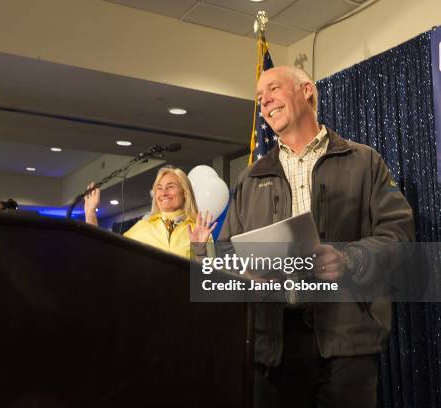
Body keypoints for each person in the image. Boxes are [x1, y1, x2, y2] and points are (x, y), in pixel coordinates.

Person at [219, 66, 415, 407]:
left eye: (273, 89)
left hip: (347, 343)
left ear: (306, 90)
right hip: (272, 349)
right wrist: (244, 275)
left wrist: (349, 260)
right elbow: (225, 252)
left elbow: (399, 236)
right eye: (259, 98)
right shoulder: (250, 178)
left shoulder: (365, 161)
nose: (264, 102)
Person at [84, 166, 216, 259]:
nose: (163, 193)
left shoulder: (199, 231)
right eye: (159, 188)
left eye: (170, 187)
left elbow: (208, 281)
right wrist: (90, 214)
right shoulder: (142, 228)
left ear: (185, 193)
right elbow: (106, 255)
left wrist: (200, 250)